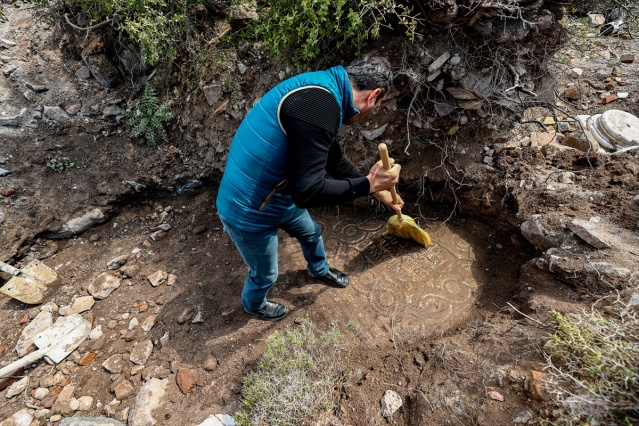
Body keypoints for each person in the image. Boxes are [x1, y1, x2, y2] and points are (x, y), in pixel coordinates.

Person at [216, 54, 403, 321]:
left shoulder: (324, 91)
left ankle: (318, 269)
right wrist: (367, 184)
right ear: (373, 96)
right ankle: (254, 304)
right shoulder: (320, 106)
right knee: (266, 273)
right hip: (247, 209)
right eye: (375, 107)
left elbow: (334, 161)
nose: (369, 114)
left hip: (277, 194)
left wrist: (377, 191)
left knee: (311, 233)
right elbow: (308, 192)